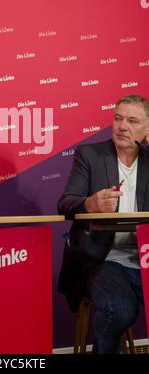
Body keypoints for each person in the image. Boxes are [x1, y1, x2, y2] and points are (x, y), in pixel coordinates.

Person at [58, 94, 149, 354]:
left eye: (132, 121)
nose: (122, 126)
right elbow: (65, 203)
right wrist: (90, 203)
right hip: (102, 258)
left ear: (147, 130)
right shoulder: (90, 155)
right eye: (118, 118)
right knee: (119, 310)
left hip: (144, 258)